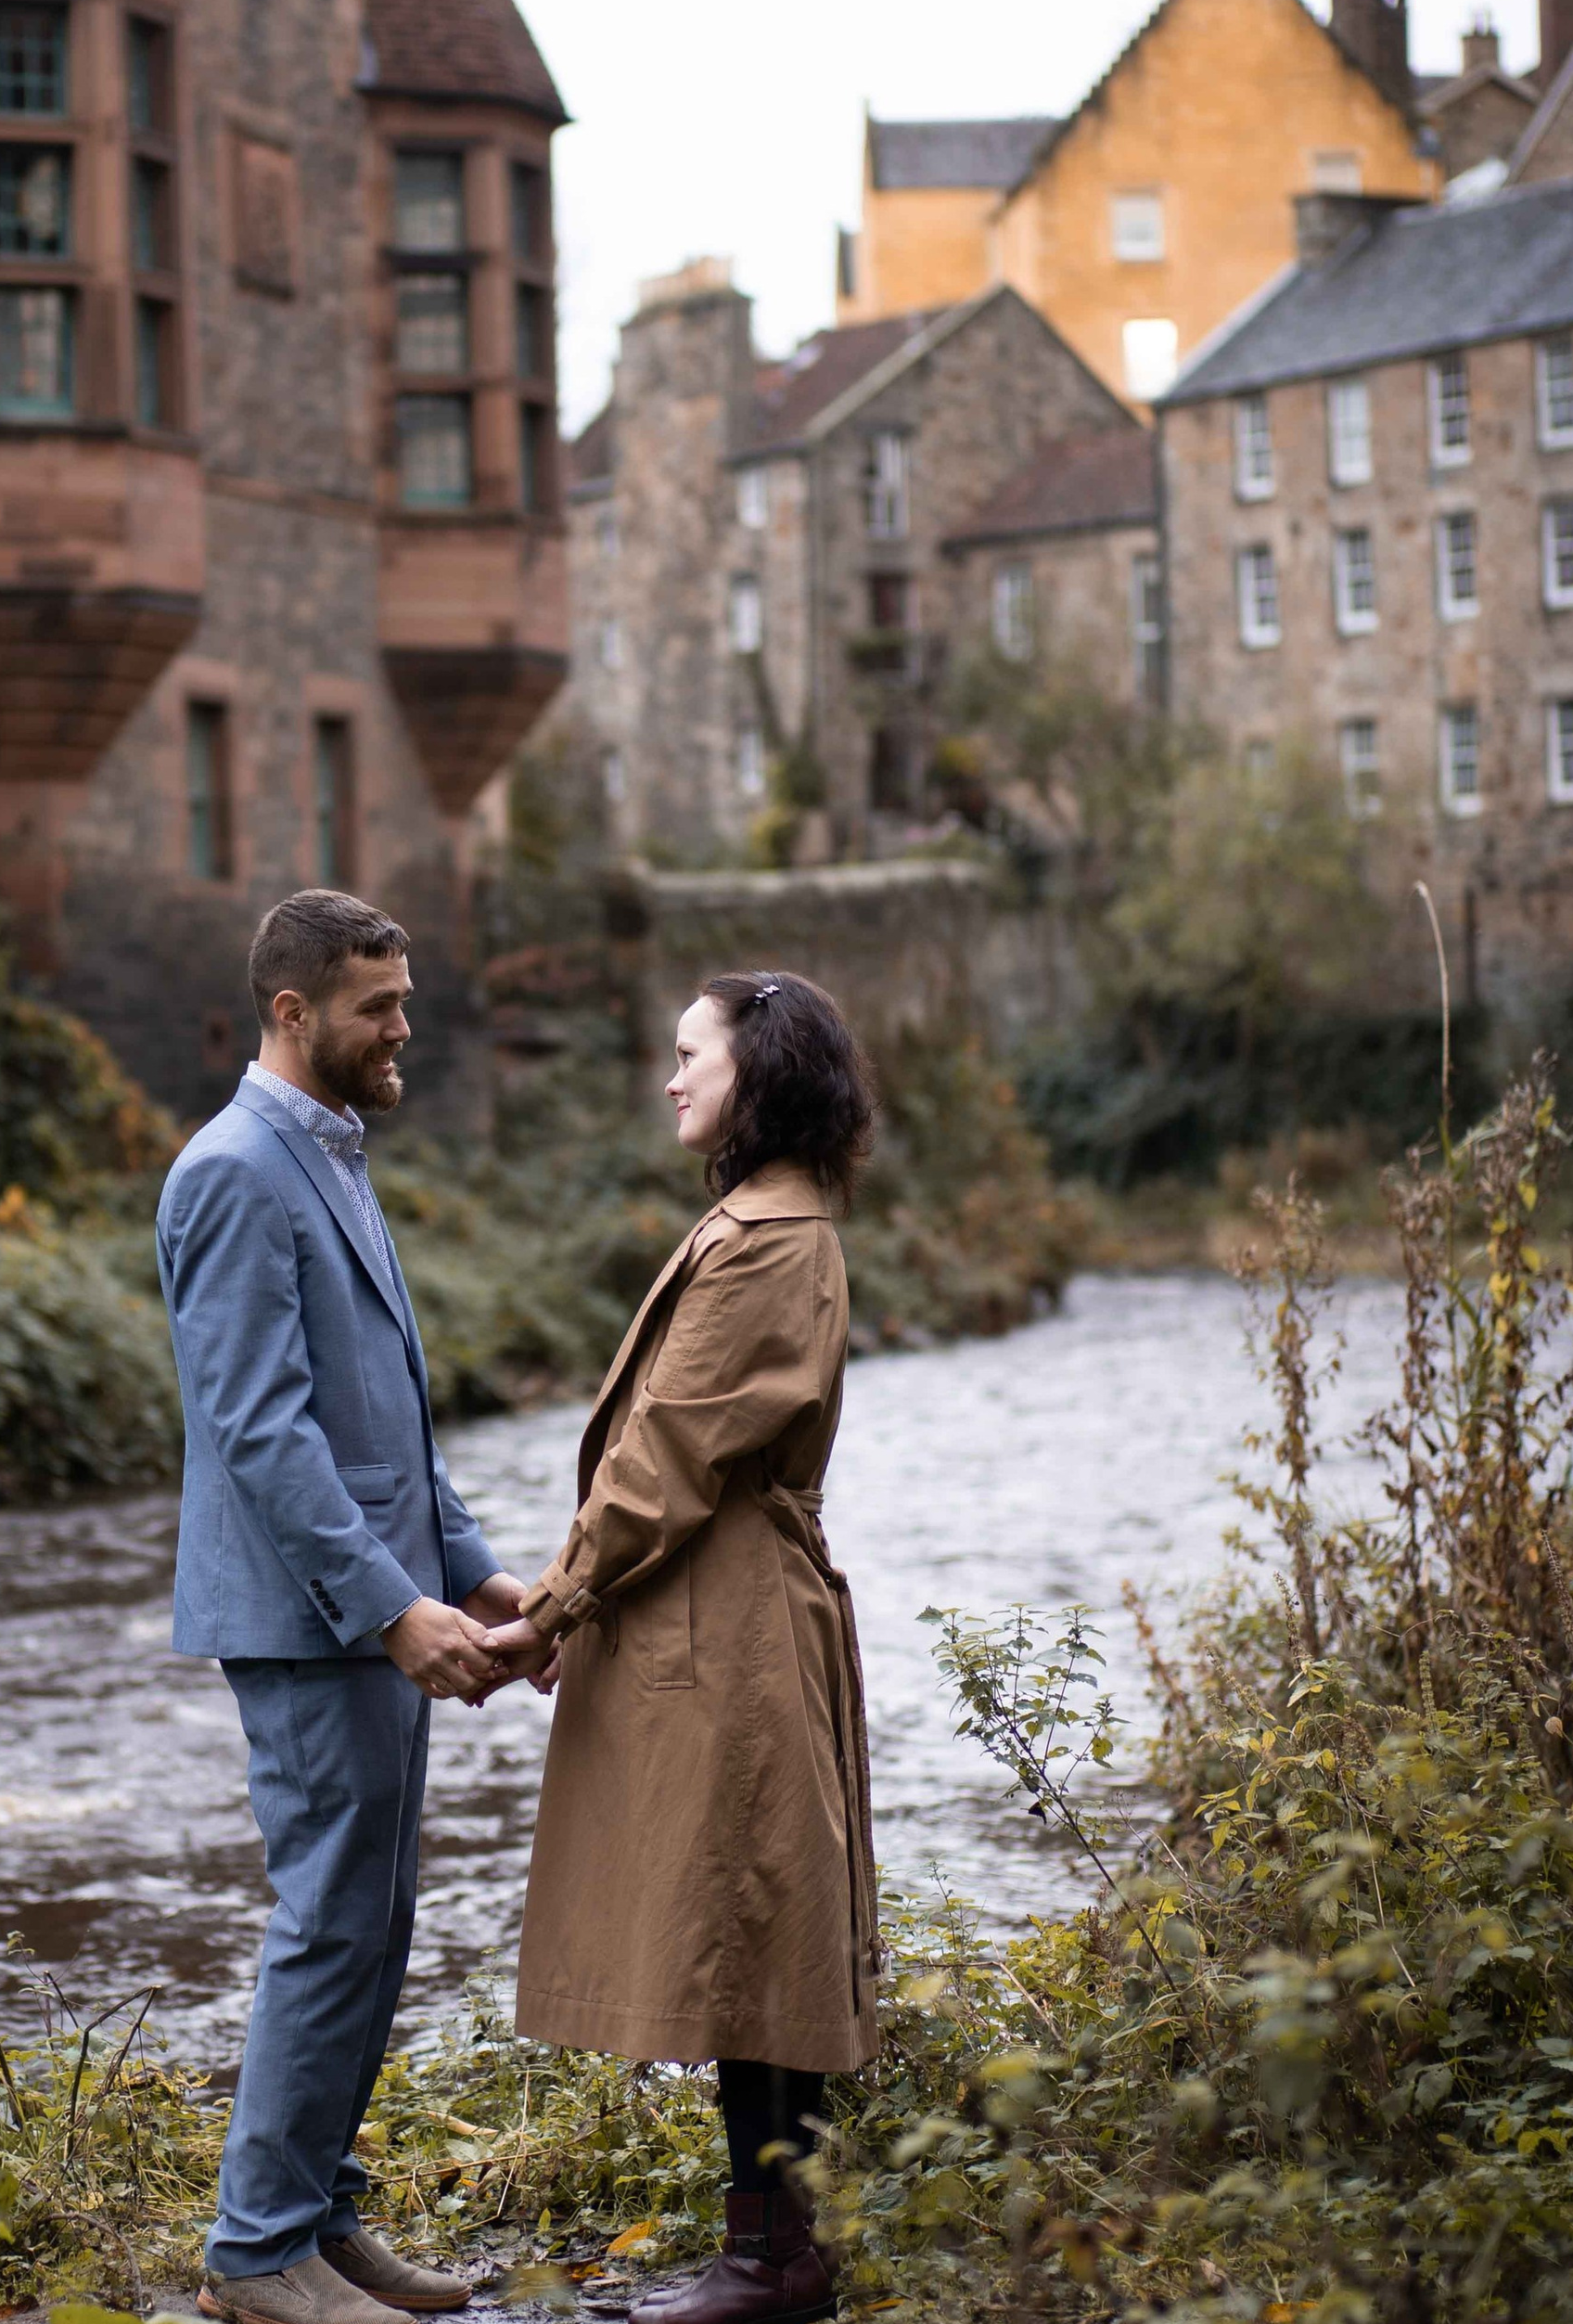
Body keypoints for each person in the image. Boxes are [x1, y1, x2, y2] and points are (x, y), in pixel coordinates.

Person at [479, 971, 882, 2324]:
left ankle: (777, 2261)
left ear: (755, 1072)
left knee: (755, 1930)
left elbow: (666, 1457)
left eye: (689, 1054)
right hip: (714, 1609)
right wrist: (568, 1597)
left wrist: (555, 1602)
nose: (670, 1075)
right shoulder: (763, 1217)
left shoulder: (766, 1237)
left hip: (733, 1622)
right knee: (742, 1924)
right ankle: (767, 2248)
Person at [159, 890, 535, 2324]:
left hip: (368, 1607)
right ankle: (258, 2257)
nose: (406, 1024)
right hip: (307, 1623)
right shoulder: (234, 1170)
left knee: (374, 1921)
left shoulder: (326, 1150)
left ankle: (317, 2220)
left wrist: (473, 1568)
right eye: (380, 1004)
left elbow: (386, 1421)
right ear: (293, 1012)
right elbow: (262, 1432)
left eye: (406, 995)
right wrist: (391, 1611)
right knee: (332, 1921)